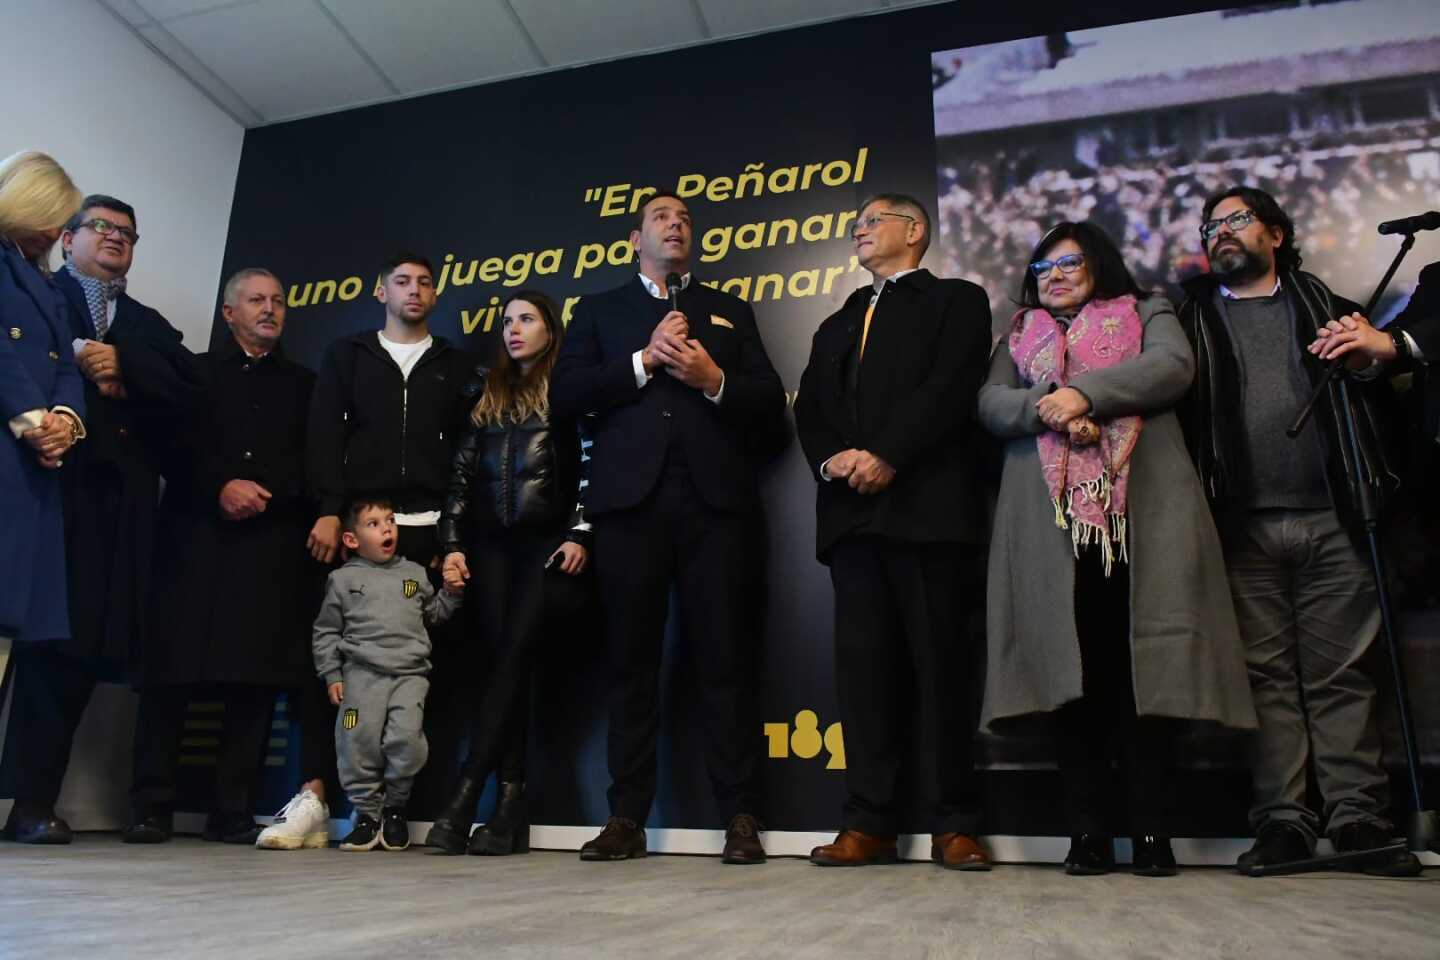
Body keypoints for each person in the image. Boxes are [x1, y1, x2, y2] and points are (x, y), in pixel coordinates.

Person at [978, 221, 1255, 876]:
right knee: (1074, 687)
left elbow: (1170, 368)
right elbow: (991, 403)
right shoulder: (1019, 333)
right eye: (1044, 268)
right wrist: (1048, 400)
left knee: (1143, 684)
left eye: (1070, 262)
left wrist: (1087, 394)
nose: (1057, 276)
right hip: (1053, 535)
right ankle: (1087, 835)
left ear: (1100, 263)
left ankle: (1153, 835)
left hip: (1139, 525)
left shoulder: (1146, 311)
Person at [1176, 186, 1422, 877]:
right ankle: (1283, 821)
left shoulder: (1333, 307)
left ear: (1276, 234)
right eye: (1210, 226)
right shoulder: (1186, 317)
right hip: (1238, 528)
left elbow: (1385, 400)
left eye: (1237, 220)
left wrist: (1370, 362)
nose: (1220, 233)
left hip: (1335, 519)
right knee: (1266, 682)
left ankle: (1357, 820)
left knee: (1342, 678)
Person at [550, 190, 785, 863]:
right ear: (634, 239)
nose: (676, 224)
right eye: (662, 217)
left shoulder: (730, 310)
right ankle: (626, 816)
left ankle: (740, 816)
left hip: (717, 510)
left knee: (726, 664)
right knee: (631, 666)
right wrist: (643, 362)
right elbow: (565, 396)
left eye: (684, 218)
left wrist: (714, 380)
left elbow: (769, 403)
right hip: (629, 511)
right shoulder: (599, 310)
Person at [793, 193, 993, 870]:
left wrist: (890, 455)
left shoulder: (957, 301)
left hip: (929, 516)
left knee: (942, 673)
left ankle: (953, 824)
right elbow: (813, 405)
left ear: (914, 232)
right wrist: (832, 459)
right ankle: (870, 824)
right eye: (858, 222)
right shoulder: (839, 320)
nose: (859, 228)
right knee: (865, 680)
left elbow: (953, 386)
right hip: (852, 521)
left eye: (873, 219)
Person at [126, 268, 327, 845]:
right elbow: (166, 448)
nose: (270, 310)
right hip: (193, 534)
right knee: (171, 673)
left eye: (279, 302)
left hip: (271, 545)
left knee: (254, 680)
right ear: (229, 312)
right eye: (256, 301)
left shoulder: (305, 385)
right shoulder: (191, 372)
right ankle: (150, 805)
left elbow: (316, 460)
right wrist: (219, 485)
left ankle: (233, 810)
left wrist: (273, 493)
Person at [298, 251, 474, 822]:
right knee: (339, 670)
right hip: (359, 530)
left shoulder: (453, 363)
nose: (414, 291)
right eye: (402, 282)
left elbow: (465, 456)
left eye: (425, 282)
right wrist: (331, 511)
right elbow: (324, 436)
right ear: (381, 292)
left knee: (427, 674)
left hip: (426, 532)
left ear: (435, 295)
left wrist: (453, 534)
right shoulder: (347, 355)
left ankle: (409, 807)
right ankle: (324, 798)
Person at [426, 291, 591, 856]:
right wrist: (450, 542)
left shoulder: (569, 385)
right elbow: (460, 475)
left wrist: (580, 531)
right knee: (502, 666)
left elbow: (593, 462)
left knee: (514, 657)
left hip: (545, 547)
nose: (513, 330)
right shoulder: (484, 390)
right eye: (507, 321)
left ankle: (467, 793)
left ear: (550, 328)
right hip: (490, 548)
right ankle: (511, 803)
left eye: (527, 319)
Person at [0, 151, 87, 845]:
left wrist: (63, 422)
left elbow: (68, 367)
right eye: (51, 223)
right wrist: (31, 419)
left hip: (34, 478)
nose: (55, 237)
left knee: (9, 634)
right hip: (6, 454)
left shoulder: (50, 287)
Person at [313, 497, 462, 851]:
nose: (386, 529)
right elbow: (326, 632)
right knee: (355, 743)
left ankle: (395, 808)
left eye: (390, 521)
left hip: (409, 676)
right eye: (374, 523)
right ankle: (366, 814)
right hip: (360, 678)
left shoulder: (413, 575)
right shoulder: (342, 580)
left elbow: (434, 614)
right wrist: (332, 673)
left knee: (407, 742)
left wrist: (452, 592)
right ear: (351, 540)